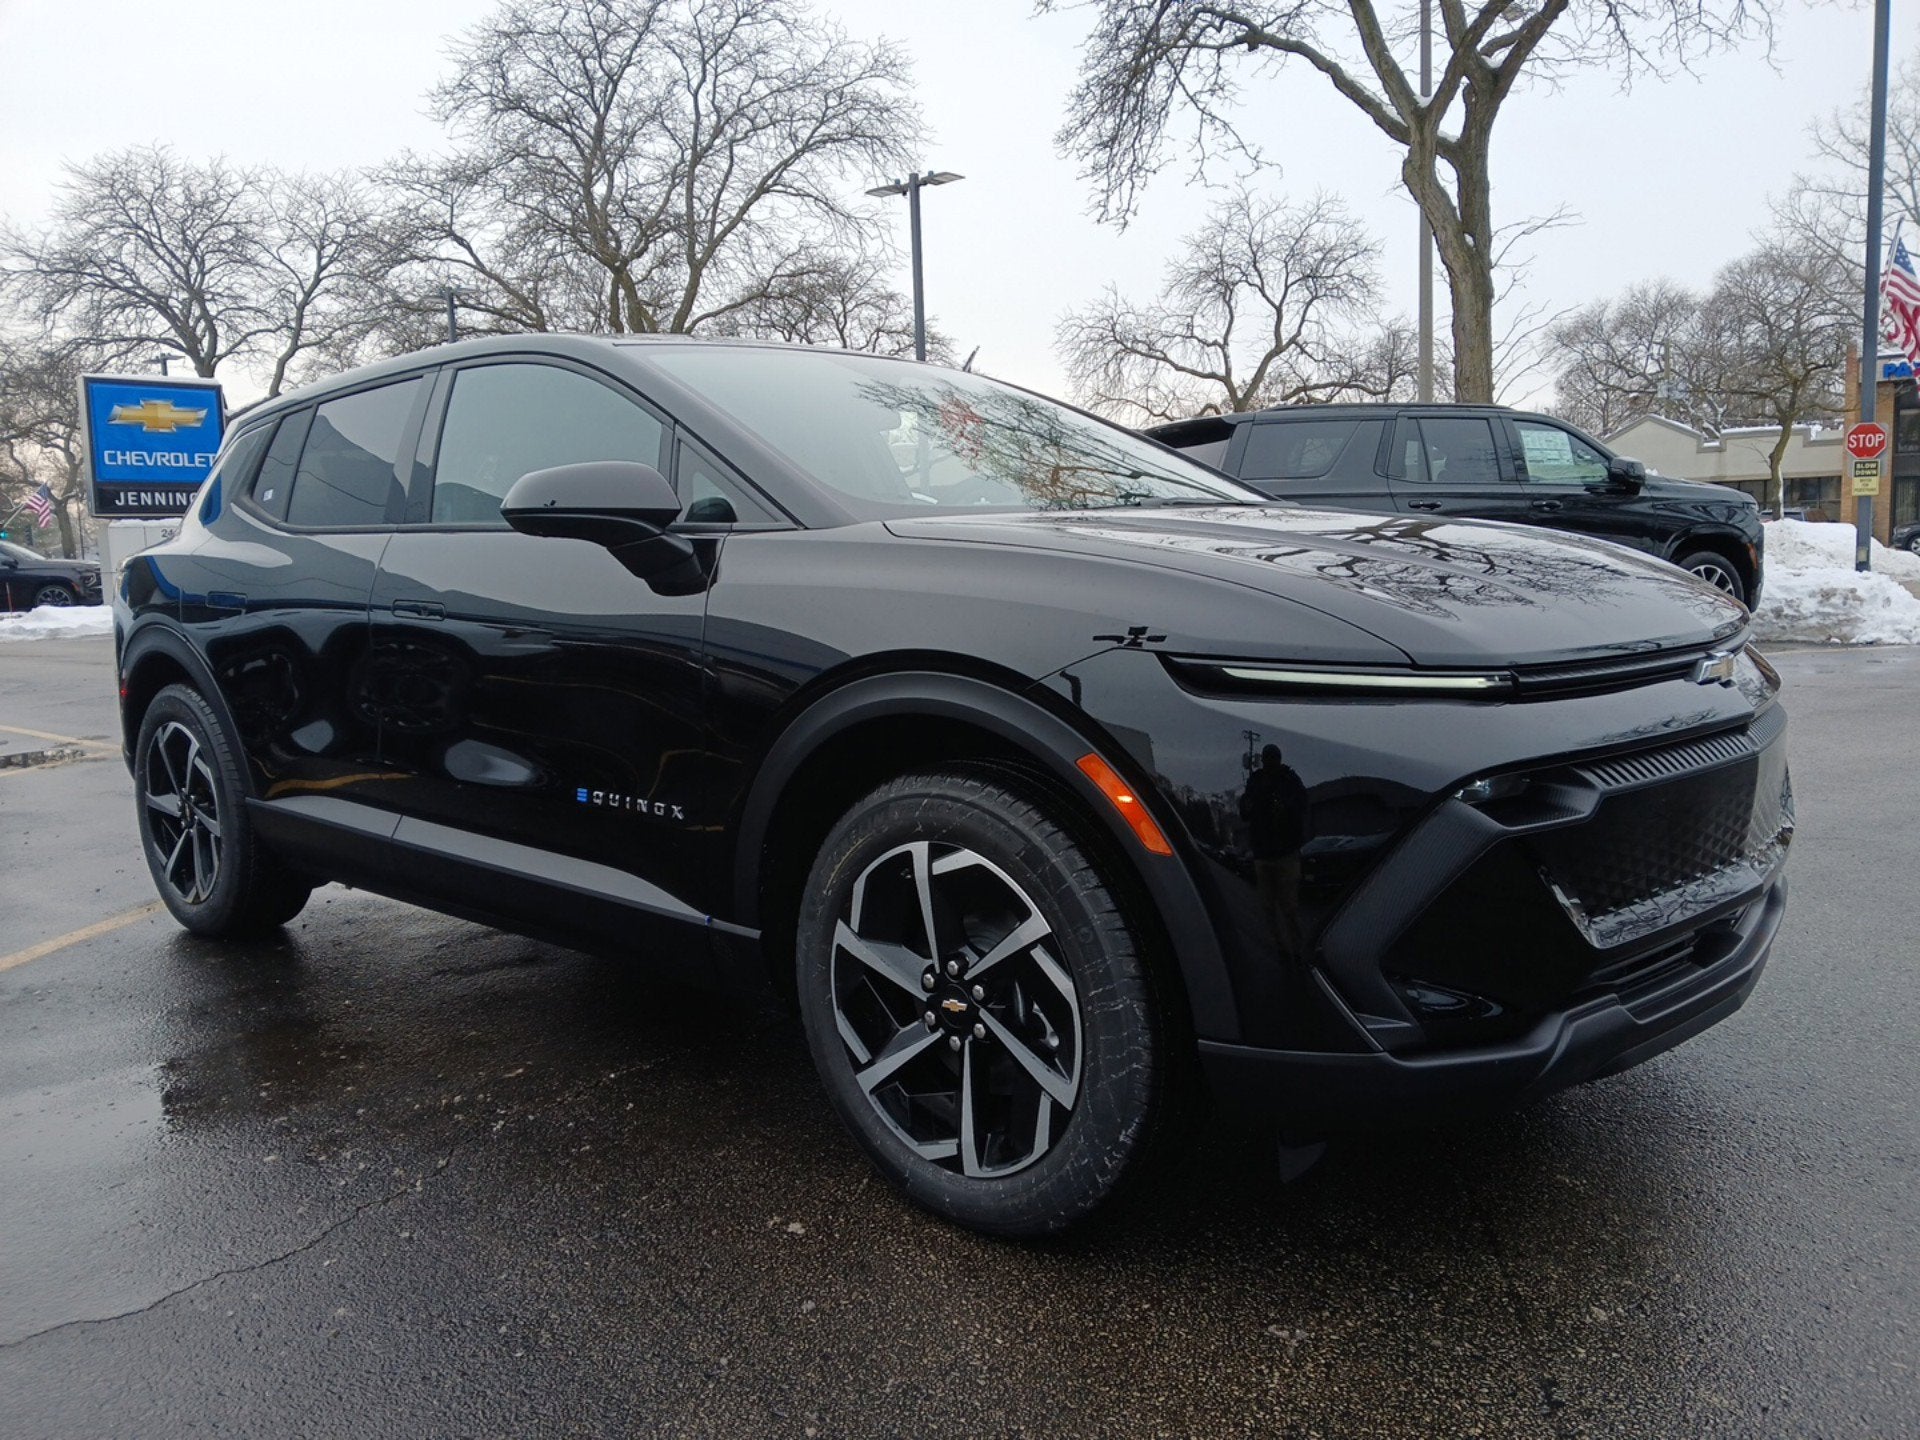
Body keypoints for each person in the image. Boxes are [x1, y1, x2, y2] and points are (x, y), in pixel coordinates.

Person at [1240, 744, 1310, 959]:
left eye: (1273, 758)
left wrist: (1284, 807)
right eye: (1267, 758)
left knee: (1289, 908)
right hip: (1264, 853)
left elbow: (1301, 804)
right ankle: (1282, 949)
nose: (1269, 762)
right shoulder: (1256, 780)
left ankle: (1298, 950)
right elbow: (1245, 810)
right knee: (1268, 907)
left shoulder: (1289, 779)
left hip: (1285, 853)